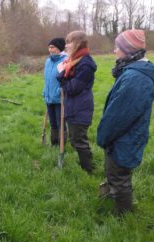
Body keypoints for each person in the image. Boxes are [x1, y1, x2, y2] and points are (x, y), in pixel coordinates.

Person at [97, 29, 154, 215]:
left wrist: (103, 137)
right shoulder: (133, 71)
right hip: (126, 137)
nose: (114, 51)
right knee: (117, 174)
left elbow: (119, 116)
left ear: (129, 50)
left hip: (125, 139)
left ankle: (124, 217)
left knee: (119, 178)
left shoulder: (136, 78)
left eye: (117, 47)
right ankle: (114, 199)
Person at [56, 31, 97, 173]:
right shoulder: (73, 61)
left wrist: (61, 73)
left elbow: (72, 88)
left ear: (78, 44)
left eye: (69, 42)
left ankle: (88, 170)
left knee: (79, 141)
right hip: (72, 106)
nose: (66, 46)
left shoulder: (86, 64)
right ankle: (85, 162)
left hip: (80, 108)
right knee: (74, 140)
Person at [42, 38, 68, 146]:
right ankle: (54, 143)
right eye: (49, 47)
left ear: (59, 48)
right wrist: (45, 90)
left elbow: (67, 79)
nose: (50, 49)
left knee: (60, 122)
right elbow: (47, 79)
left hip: (59, 97)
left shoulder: (66, 61)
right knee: (52, 123)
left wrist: (60, 91)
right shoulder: (48, 61)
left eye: (53, 47)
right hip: (49, 96)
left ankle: (62, 144)